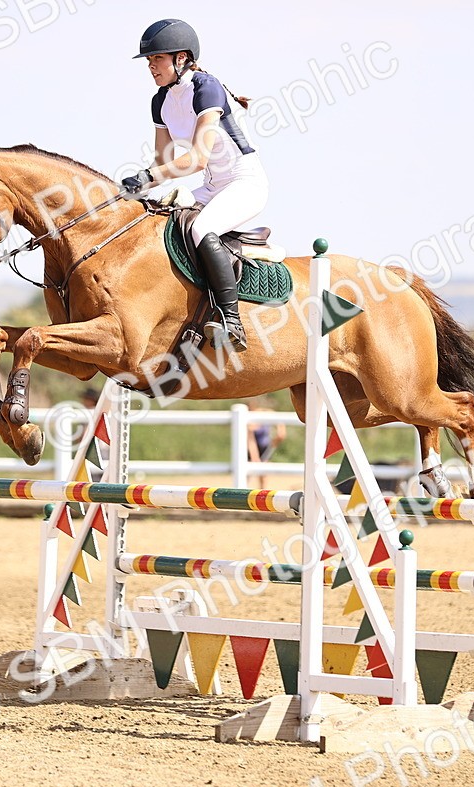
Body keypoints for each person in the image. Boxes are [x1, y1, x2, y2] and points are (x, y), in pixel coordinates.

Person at [122, 18, 268, 353]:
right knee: (157, 223)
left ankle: (232, 321)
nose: (151, 67)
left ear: (182, 57)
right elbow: (164, 163)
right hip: (211, 186)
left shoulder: (207, 87)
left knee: (202, 228)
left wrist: (148, 176)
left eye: (156, 59)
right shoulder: (160, 100)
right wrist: (140, 185)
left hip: (246, 183)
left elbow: (199, 157)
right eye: (149, 61)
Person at [246, 398, 286, 489]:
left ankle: (261, 496)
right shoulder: (247, 419)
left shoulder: (265, 413)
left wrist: (280, 432)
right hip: (251, 450)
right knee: (247, 474)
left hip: (265, 449)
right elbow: (250, 441)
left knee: (263, 476)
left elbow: (279, 422)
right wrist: (255, 458)